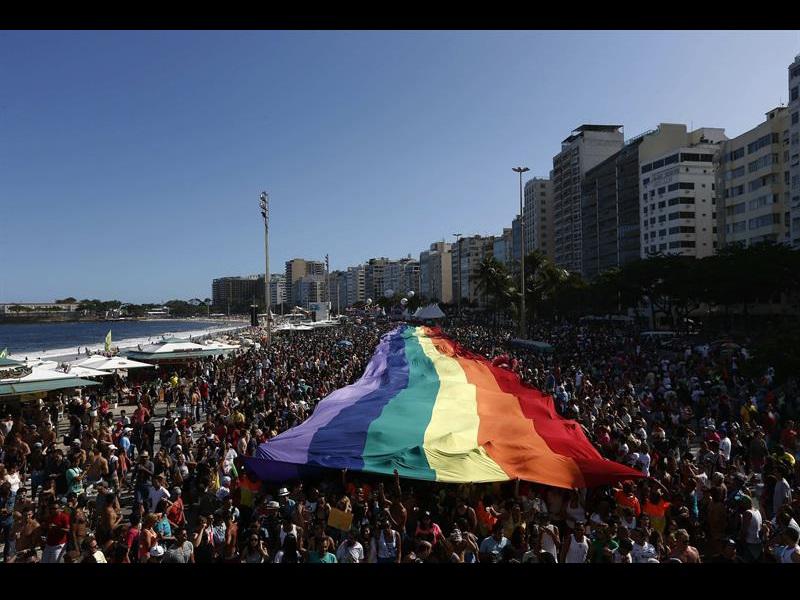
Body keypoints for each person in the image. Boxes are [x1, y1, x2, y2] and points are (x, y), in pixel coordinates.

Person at [41, 499, 71, 563]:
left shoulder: (64, 517)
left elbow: (68, 530)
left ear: (59, 508)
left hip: (58, 545)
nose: (52, 510)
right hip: (49, 543)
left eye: (55, 508)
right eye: (51, 508)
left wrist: (57, 528)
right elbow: (47, 528)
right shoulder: (49, 516)